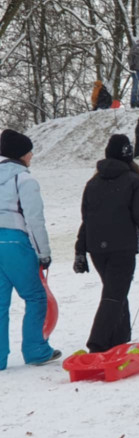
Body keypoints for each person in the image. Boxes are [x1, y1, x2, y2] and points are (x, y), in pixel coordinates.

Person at [73, 134, 139, 353]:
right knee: (114, 295)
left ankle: (120, 339)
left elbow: (86, 220)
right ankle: (97, 345)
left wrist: (80, 251)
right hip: (122, 247)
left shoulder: (93, 183)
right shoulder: (135, 181)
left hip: (97, 249)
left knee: (116, 291)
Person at [0, 129, 60, 369]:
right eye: (29, 151)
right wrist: (43, 253)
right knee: (35, 296)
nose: (32, 155)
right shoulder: (24, 179)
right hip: (16, 242)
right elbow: (35, 220)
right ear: (20, 155)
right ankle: (36, 349)